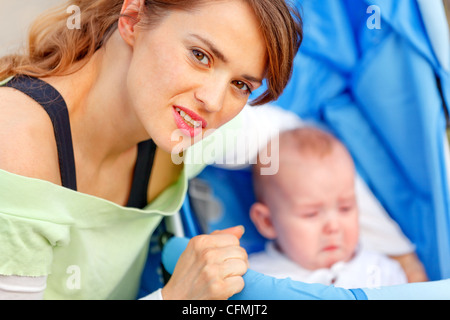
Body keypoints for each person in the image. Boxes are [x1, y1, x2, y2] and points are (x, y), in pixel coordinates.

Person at [0, 0, 302, 300]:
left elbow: (292, 138)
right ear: (132, 18)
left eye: (241, 84)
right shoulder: (17, 145)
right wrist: (176, 297)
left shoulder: (185, 120)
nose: (213, 101)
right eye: (200, 56)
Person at [249, 127, 408, 288]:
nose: (333, 227)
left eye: (345, 208)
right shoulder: (253, 280)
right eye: (311, 214)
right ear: (267, 221)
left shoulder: (383, 272)